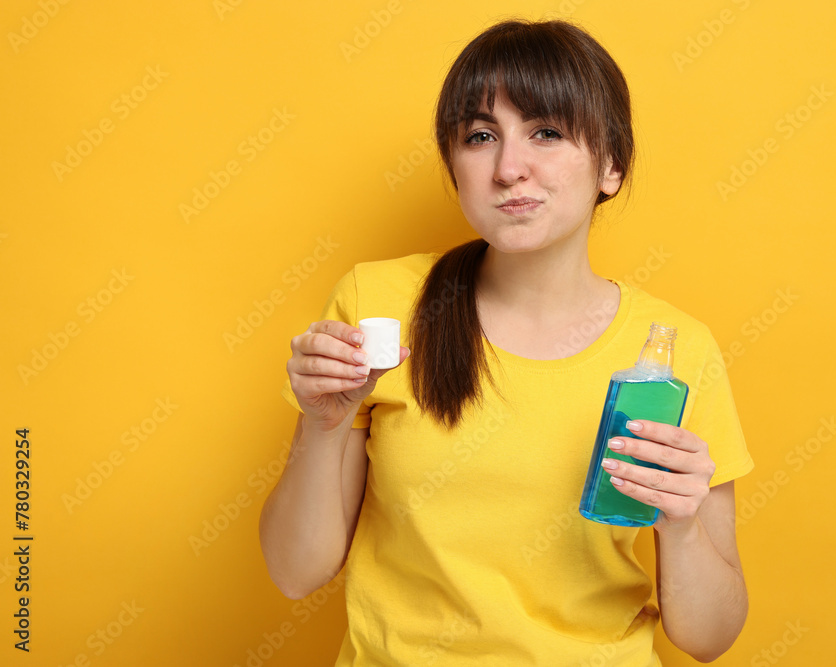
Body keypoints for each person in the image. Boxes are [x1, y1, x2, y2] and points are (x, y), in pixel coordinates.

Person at [259, 17, 754, 666]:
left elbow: (709, 638)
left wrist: (681, 525)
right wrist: (324, 428)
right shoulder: (376, 306)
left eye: (546, 132)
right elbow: (295, 572)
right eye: (480, 136)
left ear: (611, 166)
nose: (508, 168)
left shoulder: (673, 351)